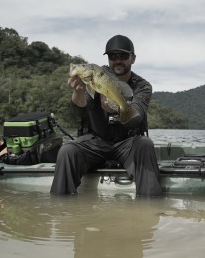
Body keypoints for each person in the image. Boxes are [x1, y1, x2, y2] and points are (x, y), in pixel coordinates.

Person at [51, 35, 162, 197]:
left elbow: (137, 116)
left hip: (128, 143)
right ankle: (61, 209)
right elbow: (80, 111)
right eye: (112, 56)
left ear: (133, 59)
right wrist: (78, 92)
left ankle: (150, 208)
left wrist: (117, 109)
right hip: (96, 141)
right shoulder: (97, 76)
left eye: (123, 56)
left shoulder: (142, 86)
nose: (117, 60)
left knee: (145, 144)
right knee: (67, 150)